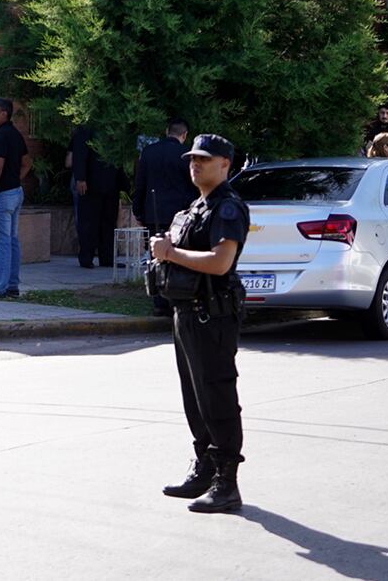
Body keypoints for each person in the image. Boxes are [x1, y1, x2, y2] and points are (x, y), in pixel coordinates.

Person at [149, 133, 250, 514]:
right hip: (187, 311)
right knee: (195, 398)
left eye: (204, 159)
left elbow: (220, 262)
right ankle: (204, 468)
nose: (195, 164)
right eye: (192, 158)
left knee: (217, 396)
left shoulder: (228, 208)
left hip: (213, 313)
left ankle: (227, 483)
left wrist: (172, 252)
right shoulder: (196, 207)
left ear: (225, 164)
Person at [133, 119, 199, 316]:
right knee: (178, 256)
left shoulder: (149, 152)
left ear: (166, 131)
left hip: (153, 212)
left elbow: (140, 184)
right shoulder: (186, 155)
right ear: (184, 135)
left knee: (156, 256)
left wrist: (138, 211)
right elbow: (192, 186)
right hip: (180, 215)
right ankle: (176, 299)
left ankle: (159, 301)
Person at [0, 97, 30, 299]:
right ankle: (12, 285)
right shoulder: (16, 135)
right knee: (12, 241)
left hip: (2, 194)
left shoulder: (1, 136)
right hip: (15, 192)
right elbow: (27, 163)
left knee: (2, 242)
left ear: (4, 113)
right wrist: (14, 180)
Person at [70, 124, 128, 269]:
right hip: (90, 183)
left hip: (111, 183)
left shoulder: (115, 126)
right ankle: (86, 257)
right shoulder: (86, 129)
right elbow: (79, 154)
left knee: (108, 222)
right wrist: (80, 178)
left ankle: (107, 257)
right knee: (88, 222)